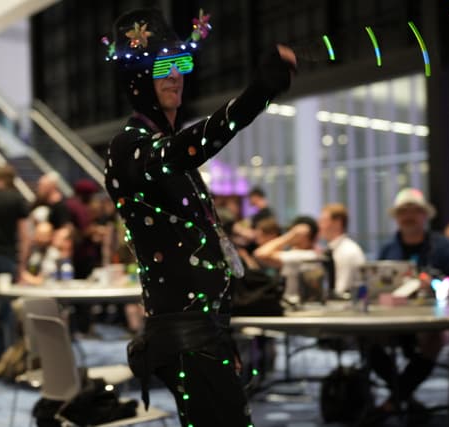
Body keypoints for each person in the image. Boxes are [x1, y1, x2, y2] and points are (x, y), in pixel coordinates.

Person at [104, 8, 296, 426]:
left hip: (207, 327)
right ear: (137, 80)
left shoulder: (169, 153)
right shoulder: (130, 146)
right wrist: (256, 95)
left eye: (181, 64)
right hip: (185, 332)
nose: (175, 75)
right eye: (161, 67)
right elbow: (190, 146)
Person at [368, 188, 449, 421]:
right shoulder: (387, 250)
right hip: (392, 319)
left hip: (434, 320)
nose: (408, 216)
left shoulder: (446, 249)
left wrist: (439, 286)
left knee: (436, 339)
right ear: (396, 217)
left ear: (425, 214)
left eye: (414, 211)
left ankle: (394, 401)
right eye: (403, 211)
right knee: (369, 340)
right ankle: (403, 397)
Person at [254, 216, 320, 305]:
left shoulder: (302, 256)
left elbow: (259, 254)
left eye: (293, 232)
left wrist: (289, 236)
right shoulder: (309, 254)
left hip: (294, 306)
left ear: (303, 236)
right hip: (296, 304)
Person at [317, 203, 366, 297]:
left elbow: (341, 290)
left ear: (337, 223)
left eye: (323, 221)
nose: (319, 226)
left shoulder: (348, 252)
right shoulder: (331, 250)